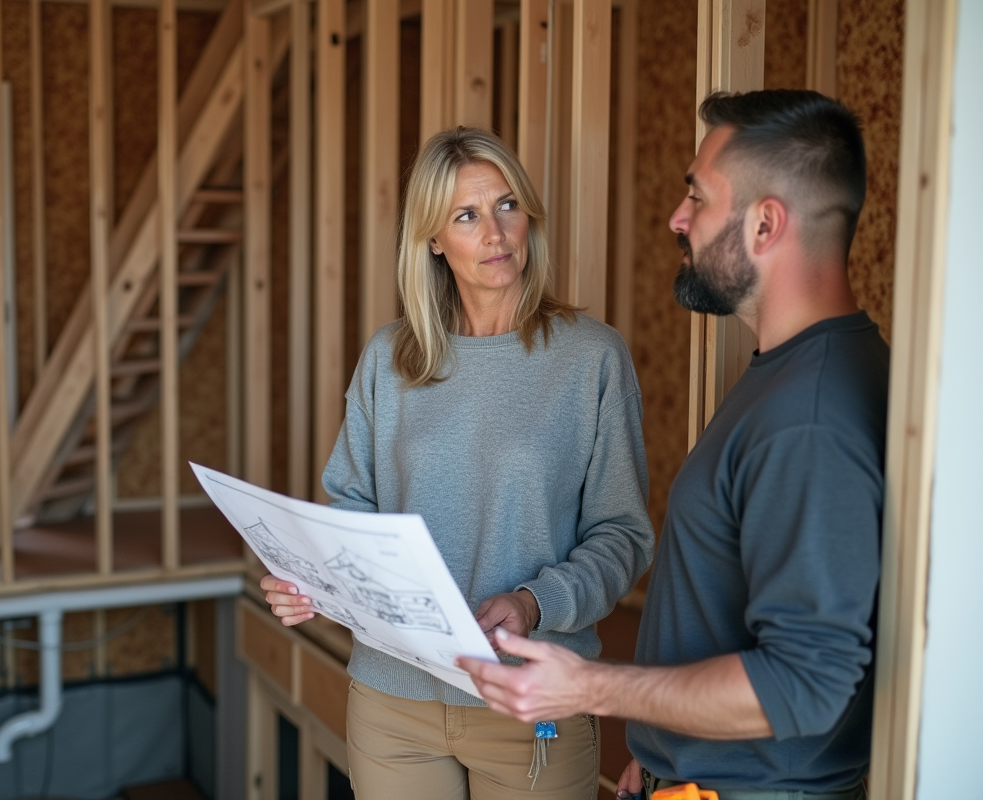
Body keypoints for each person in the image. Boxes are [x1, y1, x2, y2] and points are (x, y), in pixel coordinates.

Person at [459, 89, 887, 800]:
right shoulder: (797, 371)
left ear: (764, 224)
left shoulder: (810, 416)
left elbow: (805, 684)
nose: (676, 219)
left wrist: (593, 686)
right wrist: (664, 753)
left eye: (698, 197)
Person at [260, 126, 655, 799]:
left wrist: (535, 603)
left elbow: (623, 536)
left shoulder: (591, 358)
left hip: (529, 699)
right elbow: (351, 509)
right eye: (466, 216)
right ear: (434, 240)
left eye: (507, 205)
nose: (495, 233)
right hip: (392, 704)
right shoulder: (390, 359)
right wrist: (311, 580)